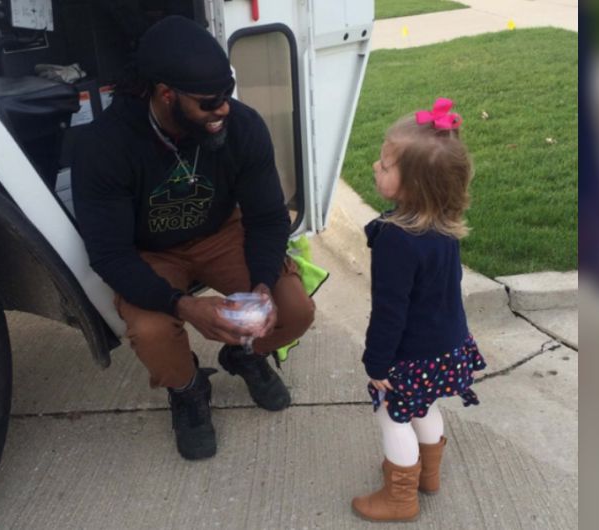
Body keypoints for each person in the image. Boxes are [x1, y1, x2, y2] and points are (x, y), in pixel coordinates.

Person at [72, 16, 315, 461]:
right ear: (166, 94)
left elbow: (266, 218)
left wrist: (261, 284)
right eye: (209, 102)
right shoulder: (103, 146)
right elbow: (108, 253)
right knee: (151, 331)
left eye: (227, 93)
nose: (223, 108)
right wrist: (183, 306)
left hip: (220, 234)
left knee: (293, 308)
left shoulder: (242, 126)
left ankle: (244, 356)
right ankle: (188, 389)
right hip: (149, 251)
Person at [350, 98, 487, 521]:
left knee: (394, 419)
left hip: (411, 354)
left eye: (386, 165)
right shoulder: (443, 225)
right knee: (424, 408)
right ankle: (427, 475)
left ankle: (400, 497)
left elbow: (389, 311)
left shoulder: (396, 240)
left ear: (413, 186)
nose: (376, 166)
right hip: (447, 345)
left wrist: (377, 363)